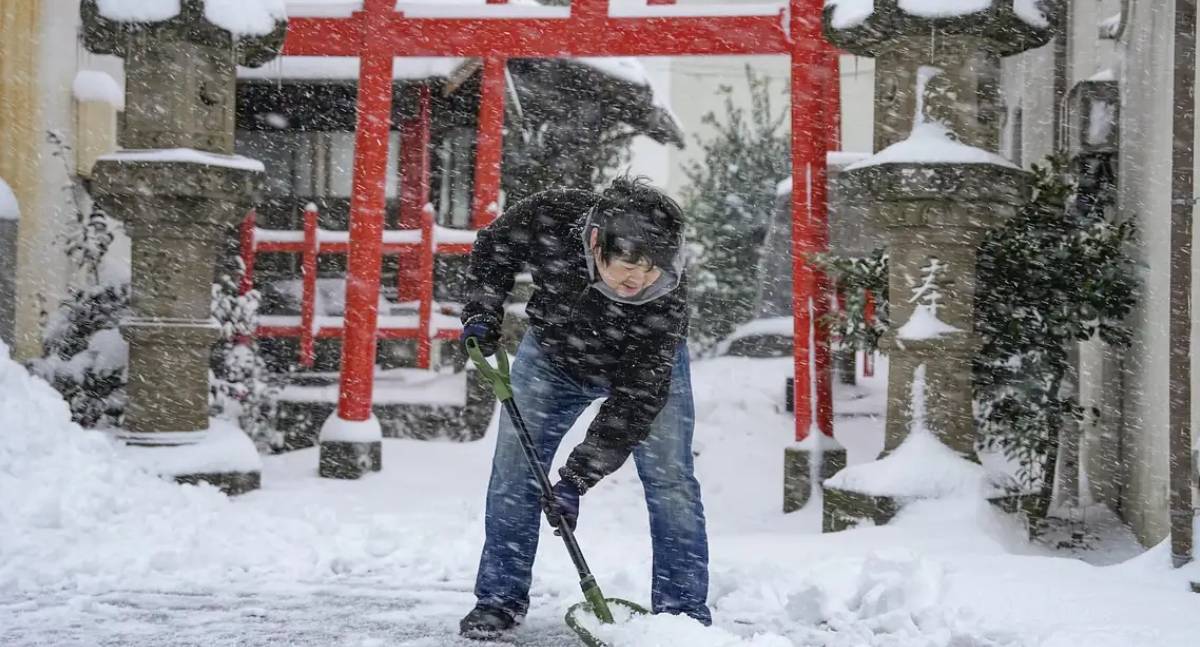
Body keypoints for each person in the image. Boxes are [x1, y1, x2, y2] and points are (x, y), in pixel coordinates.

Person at [458, 177, 710, 639]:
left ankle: (682, 615)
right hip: (552, 358)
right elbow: (494, 249)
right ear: (596, 242)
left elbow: (637, 400)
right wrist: (482, 311)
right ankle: (499, 599)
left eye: (652, 270)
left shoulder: (666, 302)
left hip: (641, 368)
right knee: (515, 473)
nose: (639, 280)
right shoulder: (551, 215)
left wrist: (576, 479)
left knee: (671, 480)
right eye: (629, 266)